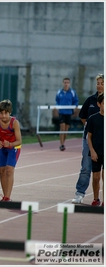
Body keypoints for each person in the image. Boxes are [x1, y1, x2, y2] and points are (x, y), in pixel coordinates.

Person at [72, 74, 104, 204]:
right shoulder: (90, 100)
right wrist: (90, 126)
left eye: (102, 83)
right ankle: (80, 193)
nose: (99, 85)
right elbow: (82, 116)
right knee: (86, 166)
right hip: (90, 138)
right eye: (98, 83)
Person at [0, 99, 22, 201]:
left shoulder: (14, 123)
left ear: (10, 112)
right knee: (2, 171)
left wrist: (10, 144)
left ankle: (7, 197)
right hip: (3, 148)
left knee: (9, 170)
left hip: (14, 148)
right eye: (1, 113)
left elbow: (19, 141)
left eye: (6, 113)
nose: (3, 116)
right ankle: (4, 195)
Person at [86, 92, 104, 206]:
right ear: (99, 104)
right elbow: (89, 137)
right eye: (104, 103)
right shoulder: (93, 119)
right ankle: (96, 198)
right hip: (96, 152)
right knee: (96, 177)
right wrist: (92, 151)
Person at [55, 77, 79, 151]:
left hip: (69, 112)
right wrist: (57, 107)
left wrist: (75, 107)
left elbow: (76, 100)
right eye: (65, 82)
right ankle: (61, 144)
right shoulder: (59, 92)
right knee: (62, 128)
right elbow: (57, 100)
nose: (66, 84)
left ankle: (63, 142)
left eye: (67, 82)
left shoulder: (72, 92)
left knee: (66, 130)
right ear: (63, 83)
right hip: (62, 112)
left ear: (69, 83)